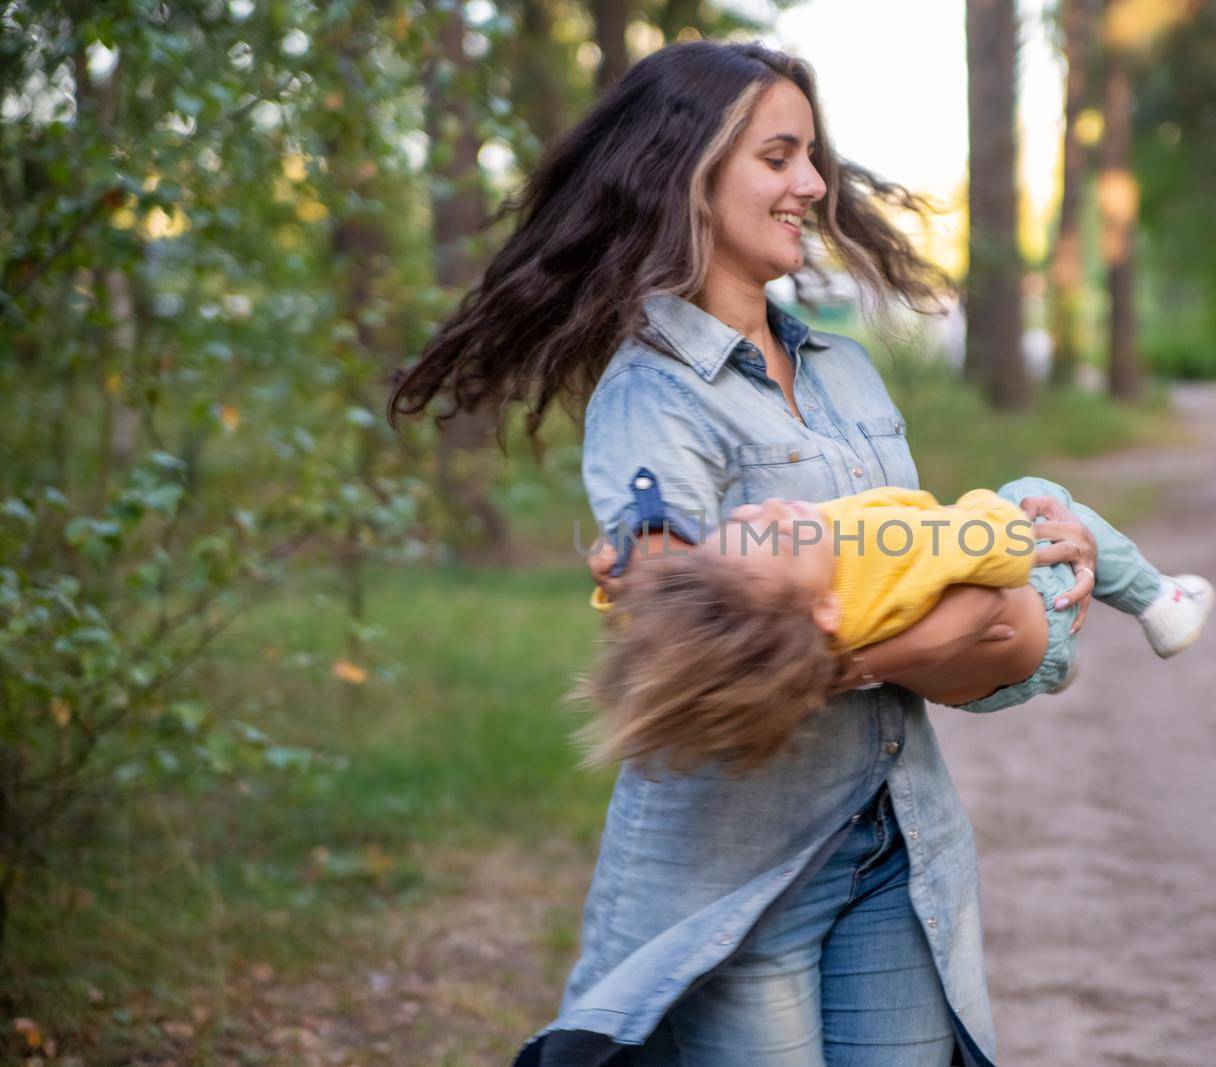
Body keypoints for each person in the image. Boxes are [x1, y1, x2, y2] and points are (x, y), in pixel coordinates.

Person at [390, 38, 1107, 1067]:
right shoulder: (652, 393)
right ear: (688, 172)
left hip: (897, 839)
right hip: (737, 864)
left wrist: (1021, 562)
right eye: (779, 157)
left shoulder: (849, 374)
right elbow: (693, 655)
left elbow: (984, 629)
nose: (813, 185)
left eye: (811, 156)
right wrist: (944, 616)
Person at [580, 473, 1215, 773]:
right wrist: (1000, 513)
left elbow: (700, 613)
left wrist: (626, 579)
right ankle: (1160, 604)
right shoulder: (882, 547)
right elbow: (996, 553)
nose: (771, 508)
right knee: (1037, 489)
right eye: (779, 534)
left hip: (989, 680)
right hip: (1034, 622)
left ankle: (1064, 669)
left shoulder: (780, 628)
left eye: (742, 521)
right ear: (822, 609)